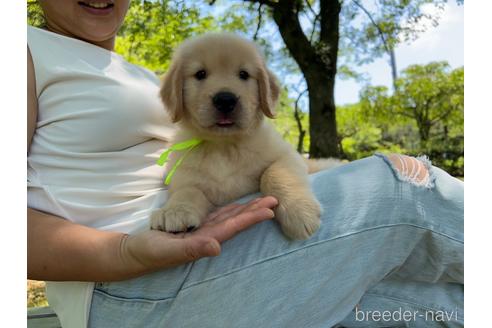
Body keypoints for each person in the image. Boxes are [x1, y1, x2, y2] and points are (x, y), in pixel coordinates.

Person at [27, 1, 464, 327]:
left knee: (429, 306)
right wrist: (124, 251)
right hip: (131, 286)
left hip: (221, 248)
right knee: (402, 186)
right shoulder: (21, 47)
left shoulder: (132, 71)